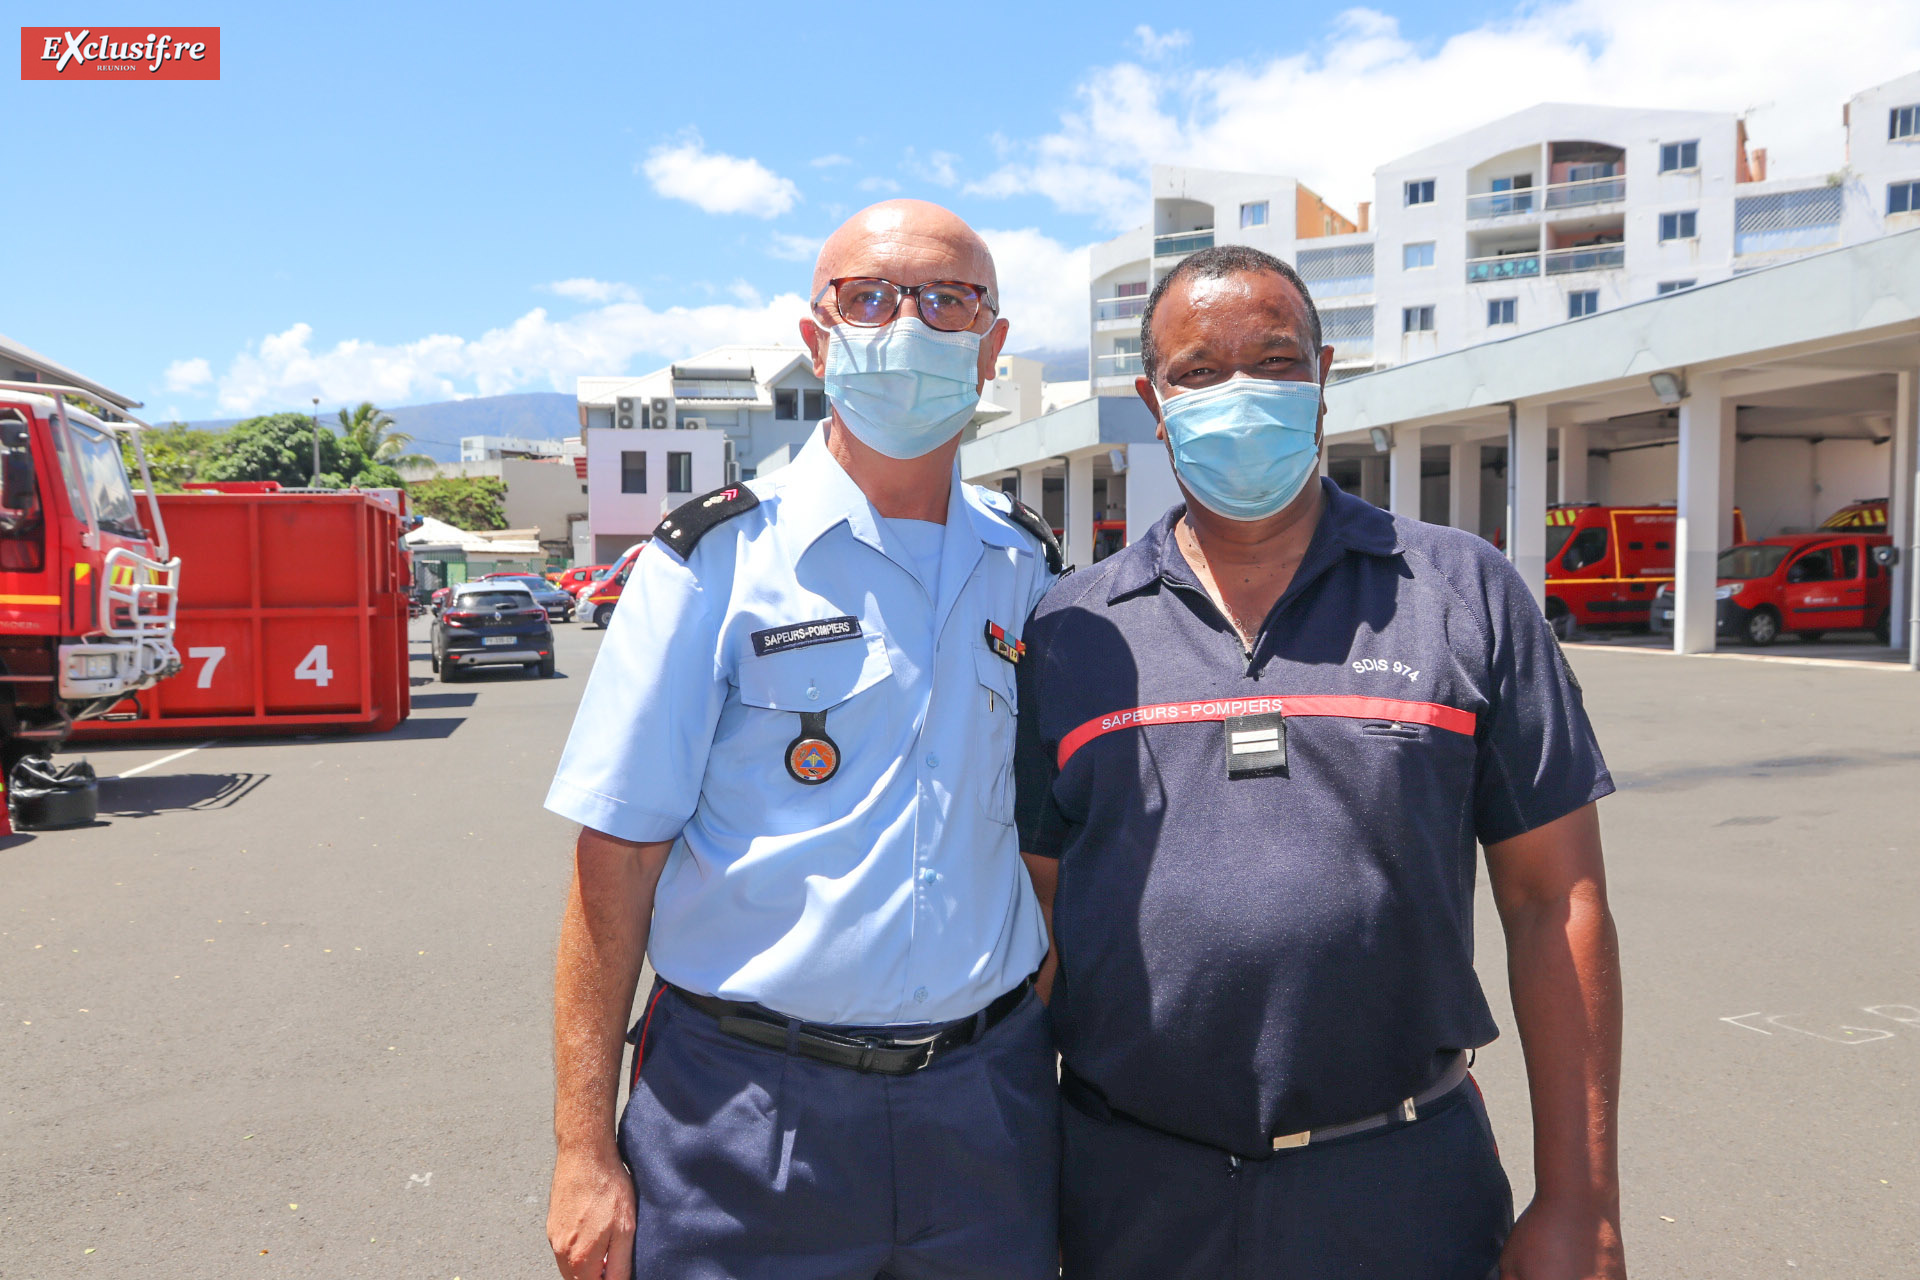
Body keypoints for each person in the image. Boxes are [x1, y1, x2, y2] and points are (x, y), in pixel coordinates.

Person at [1014, 244, 1625, 1280]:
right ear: (1151, 402)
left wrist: (1581, 1199)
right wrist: (1018, 1188)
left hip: (1400, 1182)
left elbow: (1555, 900)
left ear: (1325, 376)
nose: (1239, 393)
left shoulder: (1461, 592)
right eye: (1200, 371)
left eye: (1276, 361)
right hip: (1127, 1188)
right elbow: (1033, 934)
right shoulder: (1074, 629)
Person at [543, 199, 1064, 1280]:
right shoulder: (712, 561)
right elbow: (616, 860)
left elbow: (1044, 838)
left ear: (992, 344)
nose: (906, 325)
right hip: (745, 1108)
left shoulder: (1027, 564)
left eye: (946, 300)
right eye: (868, 298)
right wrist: (582, 1149)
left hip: (984, 1108)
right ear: (817, 336)